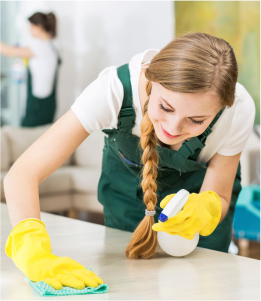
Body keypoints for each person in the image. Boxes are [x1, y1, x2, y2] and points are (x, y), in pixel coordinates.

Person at [4, 33, 255, 290]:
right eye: (165, 107)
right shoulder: (112, 90)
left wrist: (208, 208)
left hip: (197, 231)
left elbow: (220, 196)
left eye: (197, 120)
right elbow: (22, 174)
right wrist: (32, 249)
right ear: (150, 75)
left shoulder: (238, 109)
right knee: (130, 286)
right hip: (127, 207)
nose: (172, 128)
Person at [0, 12, 61, 127]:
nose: (29, 30)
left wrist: (16, 51)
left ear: (39, 26)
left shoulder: (41, 47)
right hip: (48, 103)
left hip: (38, 105)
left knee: (29, 137)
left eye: (31, 26)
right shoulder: (52, 44)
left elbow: (8, 51)